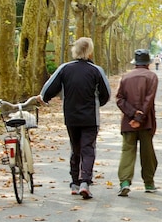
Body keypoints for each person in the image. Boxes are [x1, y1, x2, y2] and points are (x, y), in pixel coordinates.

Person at [40, 37, 110, 200]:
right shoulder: (96, 70)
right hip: (91, 118)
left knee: (75, 148)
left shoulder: (65, 69)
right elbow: (106, 94)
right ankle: (85, 181)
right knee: (88, 148)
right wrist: (96, 105)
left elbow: (48, 90)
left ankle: (74, 183)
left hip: (71, 117)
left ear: (75, 50)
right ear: (90, 51)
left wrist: (44, 99)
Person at [116, 49, 159, 196]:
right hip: (146, 122)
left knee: (127, 151)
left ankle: (124, 182)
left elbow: (119, 99)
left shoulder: (125, 77)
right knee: (147, 152)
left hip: (128, 122)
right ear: (148, 63)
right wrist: (139, 117)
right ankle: (149, 183)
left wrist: (132, 115)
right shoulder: (152, 77)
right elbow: (149, 99)